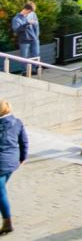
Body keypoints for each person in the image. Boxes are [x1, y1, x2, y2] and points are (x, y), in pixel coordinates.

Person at [0, 100, 24, 235]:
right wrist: (22, 158)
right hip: (12, 163)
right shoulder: (17, 122)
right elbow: (24, 142)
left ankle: (7, 223)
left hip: (1, 164)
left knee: (1, 193)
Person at [7, 4, 39, 78]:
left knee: (35, 55)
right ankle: (24, 72)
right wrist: (27, 23)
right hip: (24, 41)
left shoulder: (32, 15)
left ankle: (33, 70)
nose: (30, 13)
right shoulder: (16, 19)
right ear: (26, 10)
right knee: (24, 57)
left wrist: (36, 36)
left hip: (34, 40)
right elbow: (17, 30)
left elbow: (36, 26)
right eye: (29, 12)